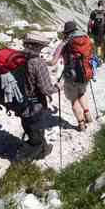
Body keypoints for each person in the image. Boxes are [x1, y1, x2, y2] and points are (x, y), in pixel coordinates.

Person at [17, 33, 60, 161]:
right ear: (38, 46)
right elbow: (46, 89)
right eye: (42, 46)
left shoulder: (19, 59)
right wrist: (58, 87)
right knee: (37, 128)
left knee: (28, 125)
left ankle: (41, 147)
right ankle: (28, 156)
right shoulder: (38, 63)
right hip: (35, 104)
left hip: (20, 102)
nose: (42, 48)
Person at [50, 21, 93, 132]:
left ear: (66, 32)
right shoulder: (86, 39)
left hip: (71, 76)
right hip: (86, 73)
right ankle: (87, 113)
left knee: (74, 100)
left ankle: (81, 124)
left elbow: (54, 61)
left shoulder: (64, 43)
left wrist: (43, 62)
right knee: (82, 93)